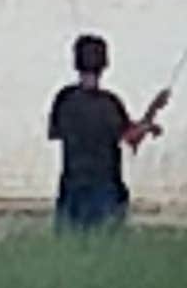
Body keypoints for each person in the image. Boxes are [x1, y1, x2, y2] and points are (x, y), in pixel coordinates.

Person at [47, 32, 163, 233]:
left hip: (71, 185)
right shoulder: (109, 103)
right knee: (106, 239)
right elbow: (130, 137)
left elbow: (54, 133)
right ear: (105, 64)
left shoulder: (63, 99)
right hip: (104, 186)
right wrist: (151, 116)